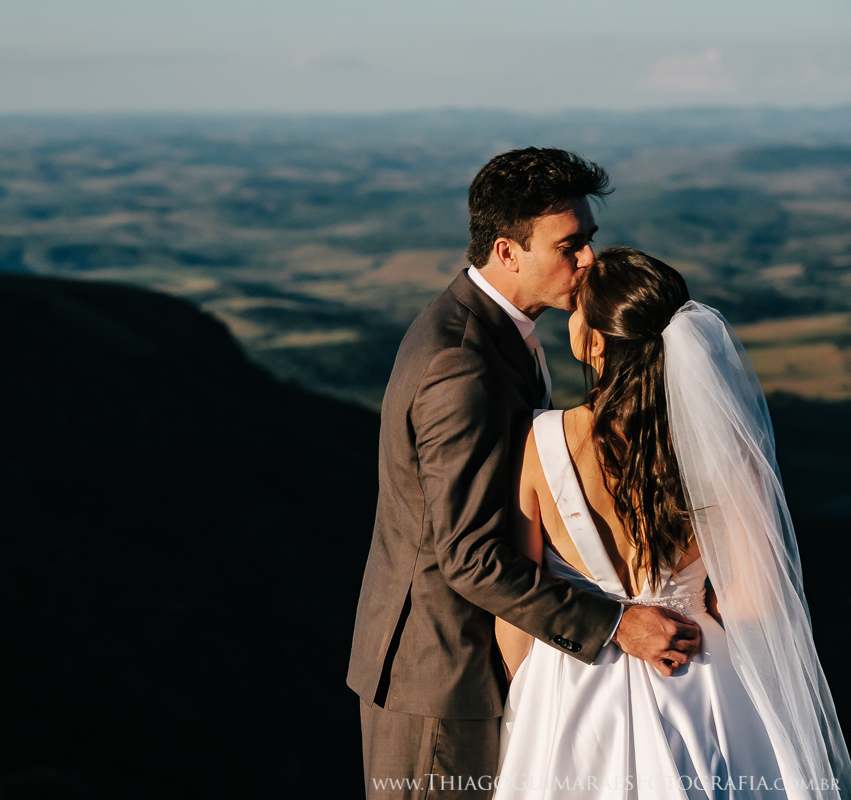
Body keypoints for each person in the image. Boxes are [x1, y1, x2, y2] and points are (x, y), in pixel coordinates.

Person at [347, 149, 702, 799]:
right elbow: (470, 559)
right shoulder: (464, 367)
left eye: (589, 240)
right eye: (570, 246)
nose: (590, 259)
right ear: (508, 252)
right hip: (443, 684)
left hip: (486, 666)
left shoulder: (498, 332)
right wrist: (621, 625)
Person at [494, 247, 850, 798]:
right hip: (697, 675)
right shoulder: (726, 452)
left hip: (572, 679)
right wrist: (704, 602)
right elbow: (756, 603)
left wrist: (534, 692)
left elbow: (518, 610)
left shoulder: (539, 443)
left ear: (595, 342)